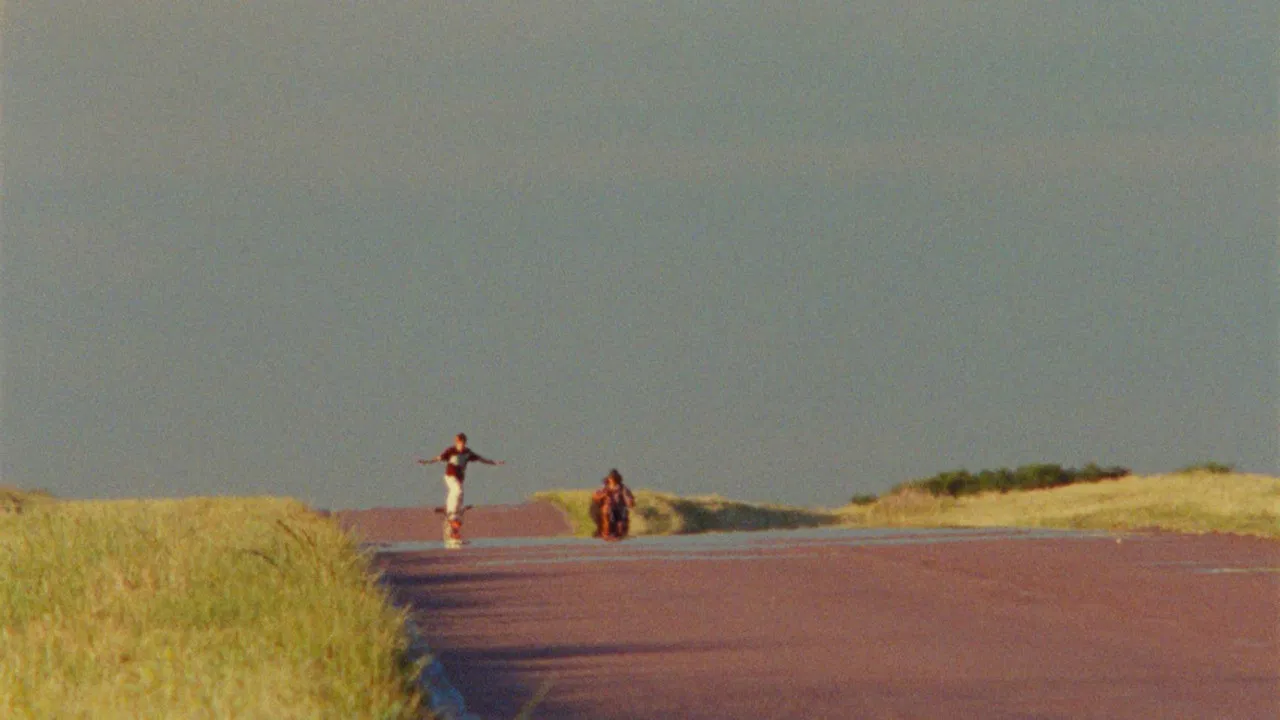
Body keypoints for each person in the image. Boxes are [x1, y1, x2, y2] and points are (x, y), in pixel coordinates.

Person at [417, 433, 504, 519]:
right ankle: (451, 510)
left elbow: (480, 459)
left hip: (459, 478)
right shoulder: (451, 451)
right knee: (457, 490)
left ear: (464, 442)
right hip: (450, 476)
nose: (460, 445)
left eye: (461, 442)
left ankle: (453, 509)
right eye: (458, 442)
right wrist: (427, 462)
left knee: (459, 494)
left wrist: (494, 463)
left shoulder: (467, 452)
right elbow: (438, 458)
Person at [591, 468, 636, 540]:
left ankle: (618, 532)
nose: (613, 480)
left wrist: (629, 501)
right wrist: (603, 495)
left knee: (620, 525)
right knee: (606, 513)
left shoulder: (623, 488)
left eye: (615, 478)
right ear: (609, 479)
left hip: (619, 510)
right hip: (606, 510)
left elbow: (629, 500)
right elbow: (595, 497)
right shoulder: (604, 488)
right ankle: (605, 532)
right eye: (611, 478)